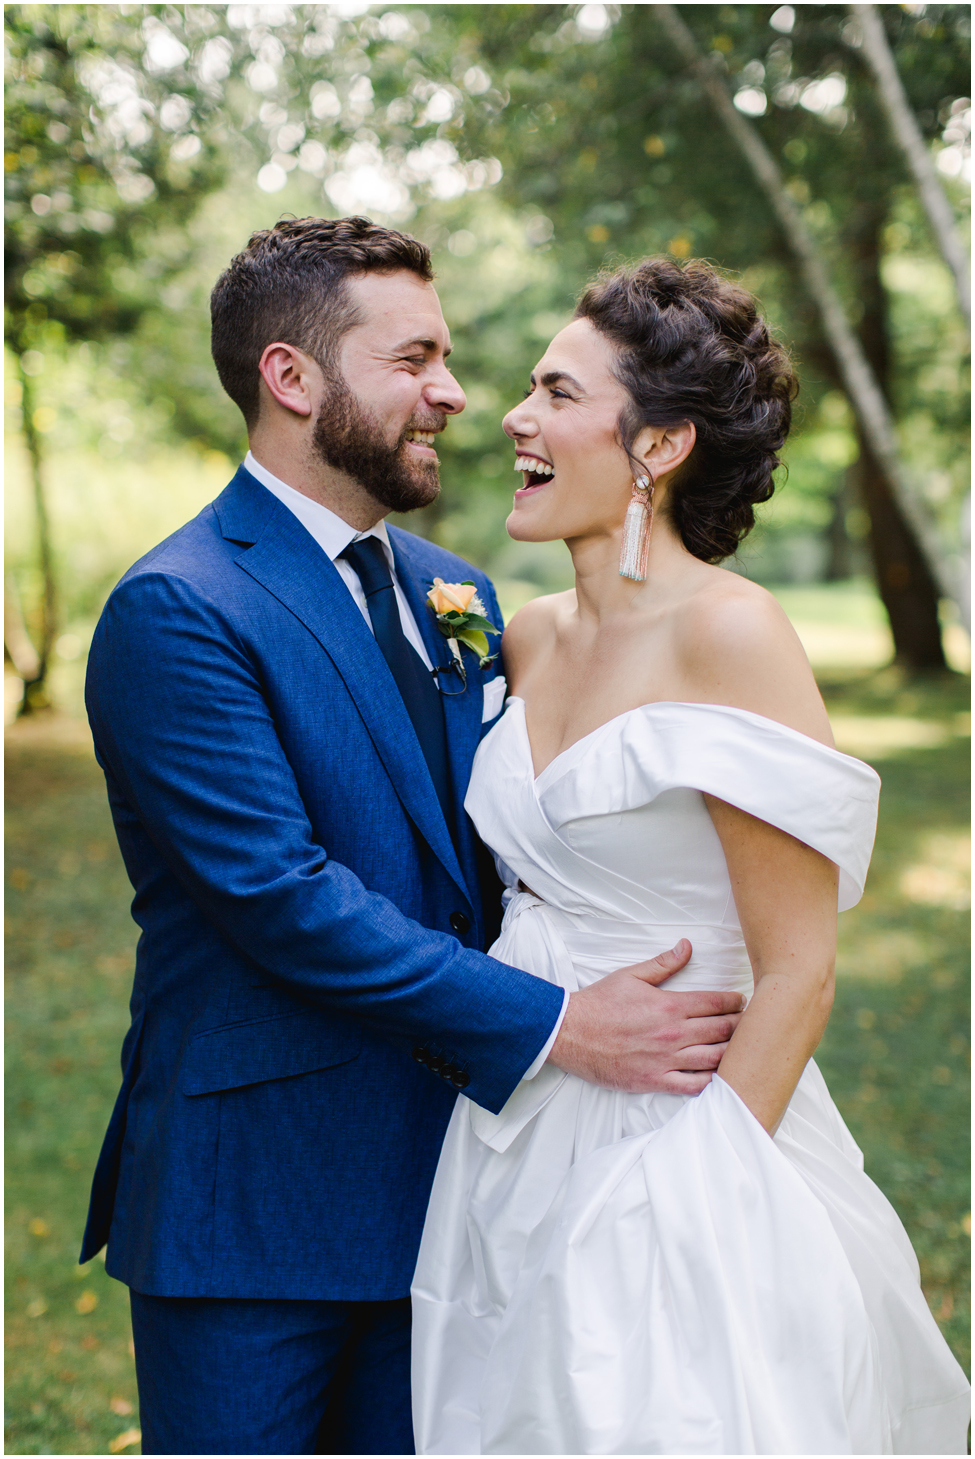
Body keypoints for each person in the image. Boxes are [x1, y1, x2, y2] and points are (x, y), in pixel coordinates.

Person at [79, 219, 748, 1456]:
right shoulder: (178, 606)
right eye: (415, 360)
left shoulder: (457, 591)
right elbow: (279, 895)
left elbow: (495, 848)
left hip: (466, 1180)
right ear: (293, 378)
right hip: (258, 1199)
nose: (455, 393)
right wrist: (557, 1021)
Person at [411, 257, 971, 1455]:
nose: (514, 414)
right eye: (529, 388)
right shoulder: (524, 639)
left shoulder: (733, 631)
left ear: (658, 447)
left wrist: (690, 1197)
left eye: (558, 394)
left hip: (692, 1137)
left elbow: (799, 970)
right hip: (518, 1129)